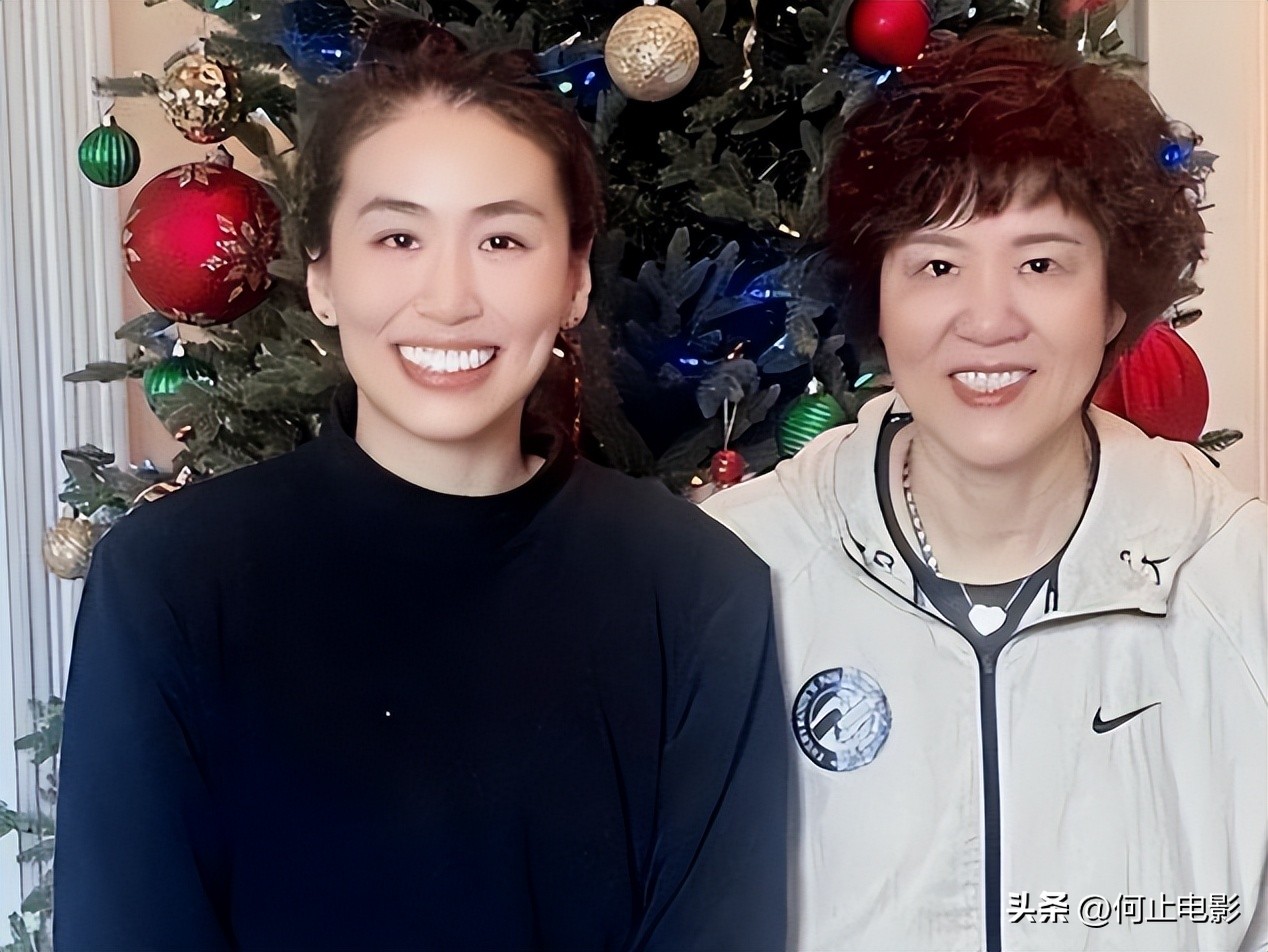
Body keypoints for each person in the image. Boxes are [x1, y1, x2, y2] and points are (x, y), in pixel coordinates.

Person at [54, 36, 787, 950]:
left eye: (502, 240)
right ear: (323, 274)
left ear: (573, 280)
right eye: (399, 237)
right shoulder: (172, 580)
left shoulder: (695, 586)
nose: (448, 298)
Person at [703, 28, 1266, 952]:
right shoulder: (736, 573)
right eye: (937, 265)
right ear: (879, 300)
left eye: (1041, 263)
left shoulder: (1243, 587)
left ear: (1114, 298)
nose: (989, 319)